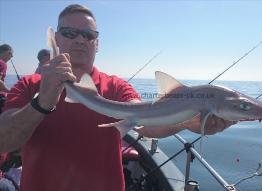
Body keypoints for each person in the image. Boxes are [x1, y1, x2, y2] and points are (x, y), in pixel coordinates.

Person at [0, 4, 236, 191]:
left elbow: (145, 122)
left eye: (88, 34)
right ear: (57, 40)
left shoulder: (115, 86)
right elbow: (4, 141)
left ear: (97, 43)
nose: (80, 39)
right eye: (70, 33)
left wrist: (187, 121)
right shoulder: (28, 85)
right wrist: (42, 102)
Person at [0, 44, 13, 114]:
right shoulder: (2, 63)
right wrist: (11, 92)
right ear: (7, 52)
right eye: (11, 54)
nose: (11, 57)